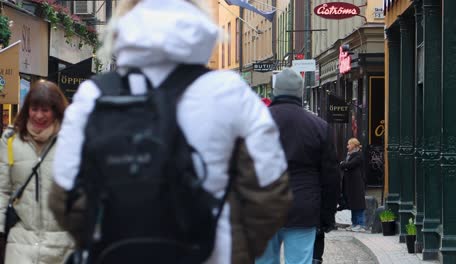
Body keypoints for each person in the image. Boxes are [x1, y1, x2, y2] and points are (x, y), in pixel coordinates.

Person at [48, 1, 292, 264]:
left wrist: (113, 238)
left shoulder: (92, 95)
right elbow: (269, 195)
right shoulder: (230, 92)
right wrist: (232, 248)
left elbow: (64, 197)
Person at [256, 68, 340, 264]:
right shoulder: (319, 127)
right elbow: (331, 176)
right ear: (300, 92)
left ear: (274, 91)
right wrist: (327, 215)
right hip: (303, 207)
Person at [0, 80, 73, 264]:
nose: (39, 115)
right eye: (34, 109)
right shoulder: (10, 140)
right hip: (20, 244)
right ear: (27, 109)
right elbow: (2, 189)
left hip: (63, 246)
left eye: (45, 110)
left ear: (56, 111)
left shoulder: (71, 141)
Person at [340, 138, 366, 232]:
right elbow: (346, 165)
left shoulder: (358, 155)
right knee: (352, 204)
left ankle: (361, 224)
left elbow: (349, 165)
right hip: (350, 184)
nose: (347, 146)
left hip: (357, 184)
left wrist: (343, 164)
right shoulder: (350, 155)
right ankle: (354, 223)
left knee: (358, 204)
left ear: (354, 145)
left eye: (349, 144)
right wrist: (344, 164)